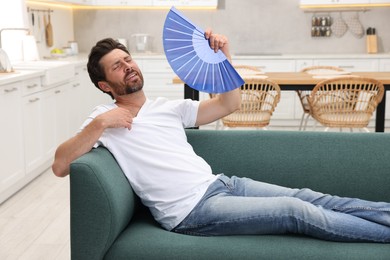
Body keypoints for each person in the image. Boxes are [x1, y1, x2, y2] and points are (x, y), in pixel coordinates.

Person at [52, 29, 390, 243]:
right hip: (191, 212)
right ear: (105, 86)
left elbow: (231, 103)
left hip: (223, 184)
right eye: (116, 66)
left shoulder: (168, 108)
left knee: (310, 197)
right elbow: (61, 165)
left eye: (128, 59)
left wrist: (223, 57)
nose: (128, 66)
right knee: (295, 210)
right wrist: (99, 125)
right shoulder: (102, 120)